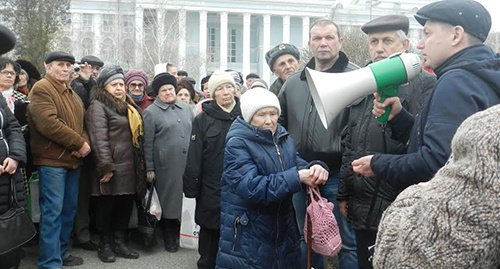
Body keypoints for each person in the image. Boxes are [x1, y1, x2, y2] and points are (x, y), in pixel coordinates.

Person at [352, 0, 500, 198]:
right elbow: (449, 142)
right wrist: (399, 118)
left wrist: (377, 163)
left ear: (456, 35)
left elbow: (436, 162)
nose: (420, 44)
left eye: (427, 34)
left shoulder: (457, 82)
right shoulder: (480, 74)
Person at [337, 15, 436, 269]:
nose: (379, 48)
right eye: (373, 42)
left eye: (387, 41)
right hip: (362, 204)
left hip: (400, 204)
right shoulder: (361, 82)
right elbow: (350, 142)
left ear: (405, 46)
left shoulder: (424, 84)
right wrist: (344, 192)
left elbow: (424, 140)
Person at [374, 103, 500, 268]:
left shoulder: (489, 131)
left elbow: (416, 257)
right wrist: (400, 119)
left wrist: (378, 163)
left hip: (392, 208)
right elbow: (423, 139)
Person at [216, 87, 329, 269]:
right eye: (261, 115)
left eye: (273, 113)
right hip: (249, 232)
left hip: (283, 230)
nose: (269, 121)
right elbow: (252, 188)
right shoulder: (237, 143)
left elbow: (298, 164)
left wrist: (316, 168)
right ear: (248, 117)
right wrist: (297, 176)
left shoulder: (282, 137)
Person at [278, 19, 359, 269]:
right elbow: (278, 125)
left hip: (340, 174)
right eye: (317, 38)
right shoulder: (294, 83)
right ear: (310, 44)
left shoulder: (356, 78)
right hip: (303, 175)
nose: (323, 43)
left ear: (340, 41)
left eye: (329, 37)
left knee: (347, 242)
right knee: (306, 238)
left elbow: (362, 128)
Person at [28, 51, 91, 268]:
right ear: (47, 66)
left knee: (68, 211)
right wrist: (78, 144)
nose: (65, 69)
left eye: (68, 65)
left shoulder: (71, 92)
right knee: (52, 212)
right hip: (52, 161)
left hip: (72, 160)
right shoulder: (42, 88)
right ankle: (49, 261)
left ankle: (62, 253)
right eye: (60, 64)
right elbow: (48, 124)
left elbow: (82, 124)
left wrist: (82, 144)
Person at [85, 65, 146, 263]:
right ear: (104, 87)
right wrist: (106, 166)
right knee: (107, 206)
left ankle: (120, 242)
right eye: (114, 85)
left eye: (121, 84)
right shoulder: (98, 106)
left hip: (129, 165)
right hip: (111, 165)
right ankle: (105, 244)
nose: (119, 88)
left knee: (124, 205)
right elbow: (98, 138)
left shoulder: (127, 105)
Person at [183, 70, 241, 269]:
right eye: (220, 89)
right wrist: (191, 187)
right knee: (210, 230)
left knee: (238, 231)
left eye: (229, 87)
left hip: (241, 183)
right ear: (213, 93)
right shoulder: (202, 119)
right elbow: (194, 155)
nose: (226, 92)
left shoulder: (245, 115)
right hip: (211, 185)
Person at [143, 73, 193, 252]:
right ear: (157, 94)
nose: (168, 93)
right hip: (165, 164)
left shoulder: (186, 108)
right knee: (168, 200)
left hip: (187, 161)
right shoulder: (151, 112)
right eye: (163, 90)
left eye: (171, 89)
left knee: (185, 198)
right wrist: (149, 168)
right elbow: (147, 143)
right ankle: (169, 235)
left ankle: (183, 231)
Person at [0, 44, 28, 269]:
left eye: (12, 73)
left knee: (9, 238)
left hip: (8, 177)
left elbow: (13, 128)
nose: (10, 76)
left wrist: (16, 156)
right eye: (5, 72)